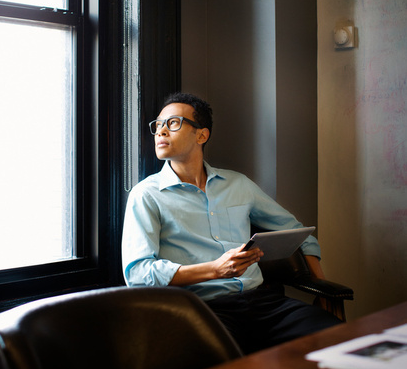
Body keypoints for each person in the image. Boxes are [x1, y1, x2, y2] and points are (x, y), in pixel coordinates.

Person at [121, 92, 340, 354]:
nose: (161, 131)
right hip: (200, 310)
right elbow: (138, 274)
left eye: (173, 123)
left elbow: (296, 231)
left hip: (262, 302)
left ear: (201, 135)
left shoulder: (238, 184)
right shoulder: (146, 195)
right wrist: (215, 269)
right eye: (158, 125)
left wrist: (321, 287)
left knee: (338, 338)